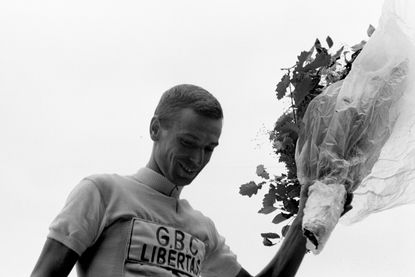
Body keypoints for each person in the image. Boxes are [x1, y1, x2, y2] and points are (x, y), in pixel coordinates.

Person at [31, 84, 351, 277]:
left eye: (209, 148)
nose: (197, 160)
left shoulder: (202, 230)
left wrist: (307, 219)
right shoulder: (101, 192)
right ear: (156, 129)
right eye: (187, 143)